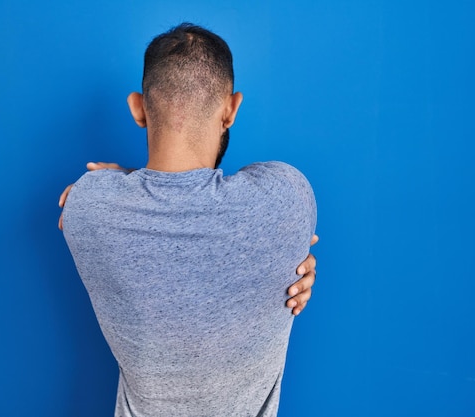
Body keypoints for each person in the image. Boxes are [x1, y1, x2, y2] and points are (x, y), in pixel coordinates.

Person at [59, 23, 317, 417]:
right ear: (231, 108)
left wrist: (123, 179)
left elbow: (161, 198)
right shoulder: (288, 200)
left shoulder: (87, 206)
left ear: (138, 107)